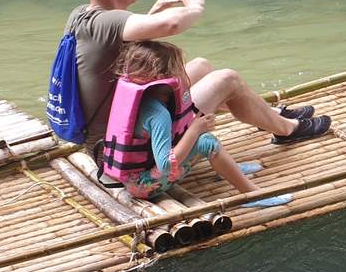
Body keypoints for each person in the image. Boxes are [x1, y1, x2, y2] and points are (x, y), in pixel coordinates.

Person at [61, 0, 330, 148]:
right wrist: (194, 7)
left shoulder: (82, 15)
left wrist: (160, 5)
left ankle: (269, 115)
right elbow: (172, 24)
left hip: (121, 125)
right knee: (227, 79)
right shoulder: (106, 21)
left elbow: (128, 39)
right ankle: (287, 131)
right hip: (125, 144)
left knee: (201, 66)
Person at [101, 41, 291, 207]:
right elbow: (166, 165)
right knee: (206, 141)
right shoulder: (158, 115)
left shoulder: (142, 100)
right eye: (179, 68)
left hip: (128, 175)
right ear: (164, 76)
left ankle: (230, 170)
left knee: (196, 134)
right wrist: (195, 129)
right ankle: (252, 195)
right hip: (141, 186)